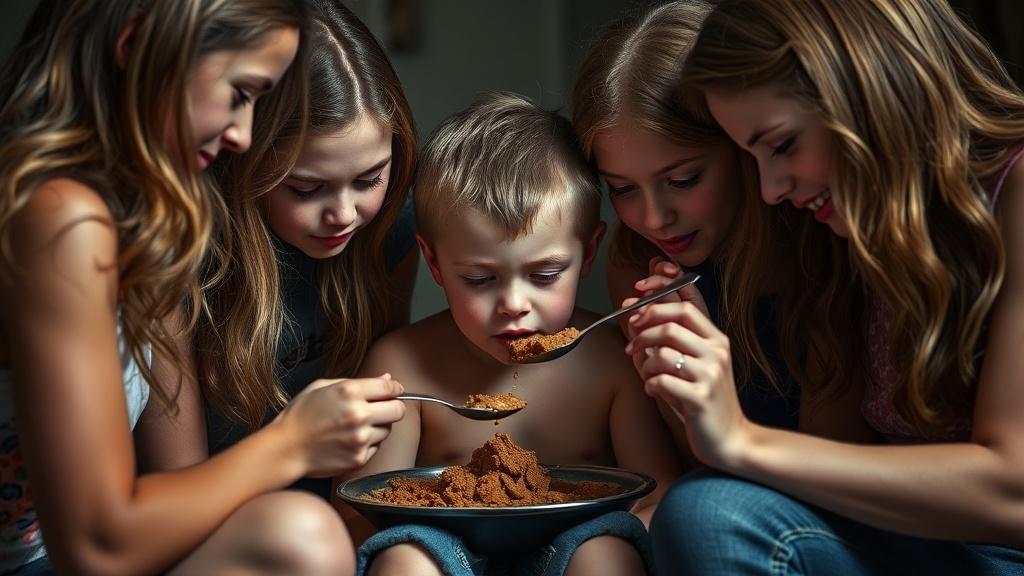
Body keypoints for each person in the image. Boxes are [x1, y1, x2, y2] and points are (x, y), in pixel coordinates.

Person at [627, 0, 1024, 573]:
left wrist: (741, 440)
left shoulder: (1015, 192)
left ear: (870, 87)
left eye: (782, 145)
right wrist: (690, 397)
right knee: (704, 512)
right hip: (918, 545)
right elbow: (834, 460)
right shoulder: (857, 237)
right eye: (751, 158)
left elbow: (1013, 491)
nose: (770, 189)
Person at [0, 1, 381, 574]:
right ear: (134, 48)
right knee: (300, 535)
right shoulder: (58, 218)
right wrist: (292, 442)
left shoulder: (145, 222)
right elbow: (97, 545)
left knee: (296, 536)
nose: (243, 134)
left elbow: (175, 495)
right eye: (240, 93)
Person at [346, 91, 682, 576]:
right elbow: (361, 510)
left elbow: (659, 493)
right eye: (480, 280)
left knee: (607, 555)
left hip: (575, 550)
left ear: (587, 255)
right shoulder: (403, 366)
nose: (514, 306)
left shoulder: (611, 358)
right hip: (444, 554)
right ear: (434, 262)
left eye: (545, 276)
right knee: (404, 561)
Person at [134, 0, 417, 527]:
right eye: (306, 187)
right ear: (245, 160)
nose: (344, 214)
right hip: (217, 518)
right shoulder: (183, 255)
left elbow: (382, 402)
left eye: (369, 178)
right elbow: (176, 485)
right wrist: (295, 445)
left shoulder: (392, 224)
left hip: (334, 505)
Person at [571, 0, 801, 464]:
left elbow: (836, 462)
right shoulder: (636, 265)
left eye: (683, 181)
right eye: (622, 188)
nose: (655, 219)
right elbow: (693, 466)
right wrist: (680, 391)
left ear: (741, 148)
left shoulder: (809, 247)